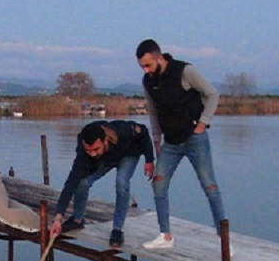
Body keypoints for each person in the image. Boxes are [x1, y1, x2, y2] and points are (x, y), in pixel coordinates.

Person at [135, 38, 226, 249]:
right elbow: (153, 111)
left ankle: (223, 239)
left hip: (195, 138)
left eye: (148, 65)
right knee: (158, 183)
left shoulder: (185, 71)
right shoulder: (148, 81)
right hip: (170, 142)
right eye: (142, 67)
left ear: (159, 58)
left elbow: (212, 94)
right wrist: (156, 139)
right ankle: (165, 236)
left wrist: (203, 124)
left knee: (210, 186)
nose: (146, 70)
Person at [49, 120, 154, 248]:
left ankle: (117, 229)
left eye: (95, 149)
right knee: (82, 183)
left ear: (105, 141)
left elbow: (143, 131)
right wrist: (58, 217)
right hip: (106, 158)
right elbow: (71, 182)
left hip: (128, 154)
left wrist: (149, 160)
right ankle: (77, 219)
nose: (92, 154)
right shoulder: (84, 153)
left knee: (121, 182)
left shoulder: (122, 131)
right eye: (89, 150)